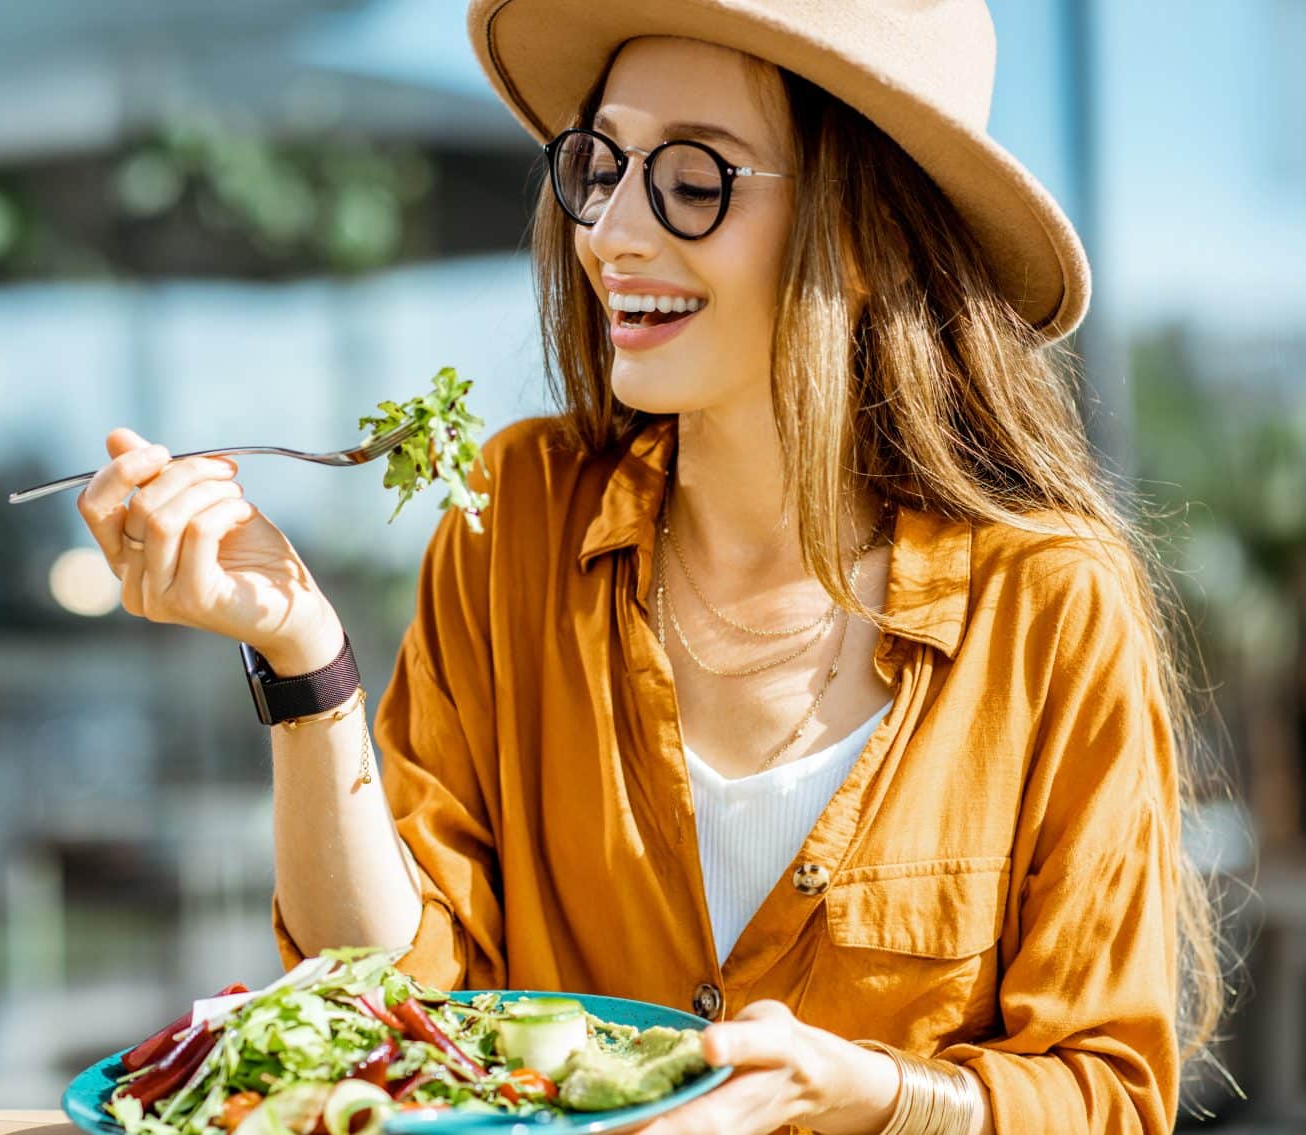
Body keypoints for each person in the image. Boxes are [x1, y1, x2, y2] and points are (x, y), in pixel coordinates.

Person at [75, 1, 1227, 1132]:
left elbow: (1106, 1095)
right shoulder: (509, 519)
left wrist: (870, 1095)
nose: (611, 233)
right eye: (601, 165)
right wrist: (302, 660)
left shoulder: (1046, 603)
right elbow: (391, 1005)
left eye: (692, 179)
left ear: (869, 233)